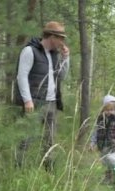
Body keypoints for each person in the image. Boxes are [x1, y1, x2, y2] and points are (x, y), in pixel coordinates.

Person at [15, 21, 70, 171]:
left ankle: (48, 169)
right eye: (60, 38)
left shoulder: (54, 55)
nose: (62, 42)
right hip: (34, 102)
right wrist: (27, 100)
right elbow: (22, 76)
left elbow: (61, 76)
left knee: (50, 139)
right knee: (27, 137)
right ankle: (19, 168)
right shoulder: (29, 51)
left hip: (51, 102)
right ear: (52, 36)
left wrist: (66, 58)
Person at [90, 95, 115, 184]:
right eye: (107, 110)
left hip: (113, 145)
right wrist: (92, 142)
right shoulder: (100, 120)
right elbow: (95, 131)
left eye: (112, 110)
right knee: (105, 162)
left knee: (111, 159)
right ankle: (108, 178)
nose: (109, 112)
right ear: (103, 109)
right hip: (102, 145)